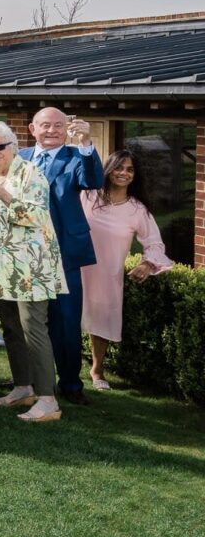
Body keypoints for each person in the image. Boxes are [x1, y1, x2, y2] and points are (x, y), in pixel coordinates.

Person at [0, 122, 65, 423]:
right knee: (12, 328)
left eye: (0, 146)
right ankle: (23, 387)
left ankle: (48, 400)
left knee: (33, 330)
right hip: (2, 270)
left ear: (13, 145)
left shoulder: (30, 173)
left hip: (31, 268)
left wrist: (6, 197)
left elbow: (39, 216)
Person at [21, 107, 104, 405]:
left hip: (63, 255)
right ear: (33, 128)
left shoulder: (75, 156)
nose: (52, 131)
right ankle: (28, 379)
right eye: (46, 126)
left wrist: (86, 144)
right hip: (24, 256)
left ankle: (70, 383)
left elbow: (93, 180)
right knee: (26, 323)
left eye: (59, 126)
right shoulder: (19, 157)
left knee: (66, 322)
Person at [80, 151, 172, 390]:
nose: (123, 173)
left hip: (107, 273)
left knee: (101, 321)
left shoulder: (137, 210)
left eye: (129, 169)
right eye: (118, 168)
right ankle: (63, 368)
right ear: (108, 170)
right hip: (76, 266)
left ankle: (97, 371)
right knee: (65, 318)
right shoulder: (87, 196)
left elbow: (155, 242)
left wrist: (146, 263)